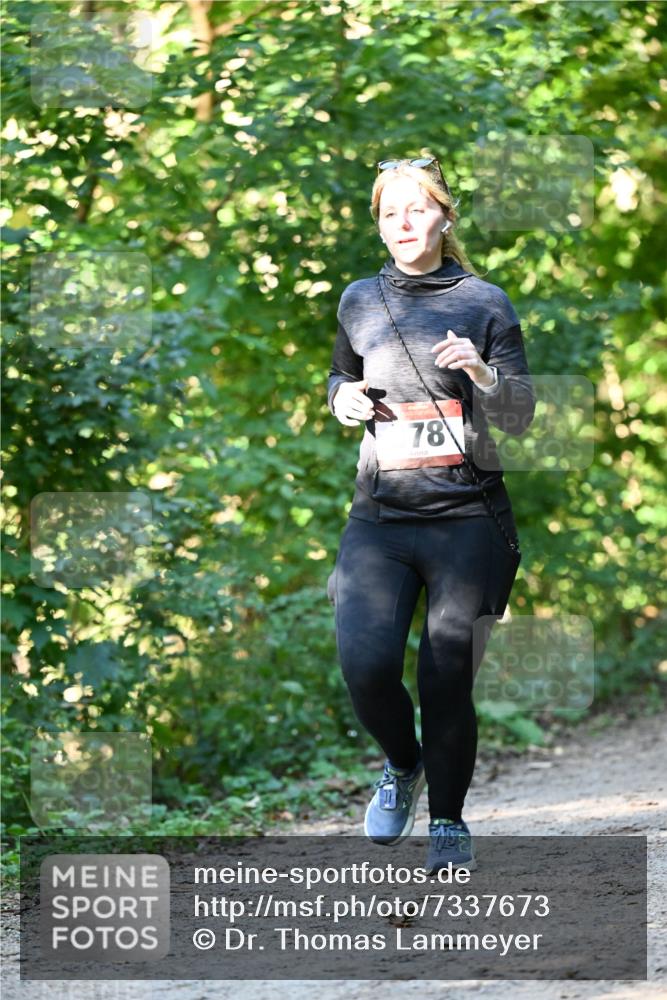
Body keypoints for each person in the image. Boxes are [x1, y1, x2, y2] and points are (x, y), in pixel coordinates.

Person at [326, 155, 535, 873]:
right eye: (390, 213)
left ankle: (447, 822)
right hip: (380, 521)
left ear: (444, 216)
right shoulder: (357, 299)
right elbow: (340, 375)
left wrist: (481, 374)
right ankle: (400, 764)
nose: (403, 224)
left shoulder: (485, 302)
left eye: (416, 209)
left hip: (468, 521)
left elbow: (521, 417)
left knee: (446, 671)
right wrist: (340, 399)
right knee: (365, 663)